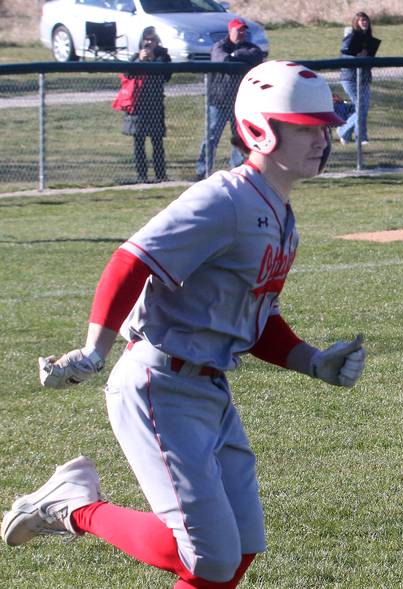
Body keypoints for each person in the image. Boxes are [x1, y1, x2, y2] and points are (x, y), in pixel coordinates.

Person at [1, 61, 366, 588]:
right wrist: (93, 350)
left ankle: (74, 504)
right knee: (208, 558)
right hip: (160, 383)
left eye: (325, 126)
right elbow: (132, 260)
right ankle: (75, 508)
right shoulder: (224, 199)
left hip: (208, 389)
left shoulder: (280, 216)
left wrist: (311, 360)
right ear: (261, 128)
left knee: (239, 549)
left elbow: (253, 318)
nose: (323, 138)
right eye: (305, 126)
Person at [195, 17, 265, 180]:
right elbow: (222, 59)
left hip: (240, 102)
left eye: (243, 30)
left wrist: (236, 54)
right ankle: (202, 170)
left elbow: (256, 56)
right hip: (218, 100)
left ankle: (238, 169)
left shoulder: (250, 47)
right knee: (211, 136)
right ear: (230, 30)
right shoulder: (219, 46)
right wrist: (237, 56)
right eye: (238, 30)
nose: (241, 33)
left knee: (240, 137)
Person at [123, 27, 171, 184]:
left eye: (152, 39)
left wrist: (153, 60)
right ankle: (141, 176)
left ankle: (160, 175)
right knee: (139, 143)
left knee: (157, 141)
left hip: (156, 105)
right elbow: (127, 74)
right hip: (138, 106)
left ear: (158, 41)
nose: (149, 42)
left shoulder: (164, 57)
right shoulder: (137, 56)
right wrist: (140, 61)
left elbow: (167, 75)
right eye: (146, 39)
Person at [337, 11, 379, 145]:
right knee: (361, 107)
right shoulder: (351, 37)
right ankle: (361, 137)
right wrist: (356, 56)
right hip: (350, 78)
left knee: (363, 108)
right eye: (361, 20)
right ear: (356, 22)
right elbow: (344, 54)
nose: (364, 22)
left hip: (365, 77)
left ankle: (344, 130)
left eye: (366, 20)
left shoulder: (369, 39)